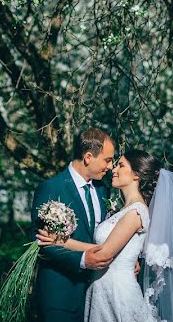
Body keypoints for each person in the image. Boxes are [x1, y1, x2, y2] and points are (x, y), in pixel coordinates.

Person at [37, 149, 173, 322]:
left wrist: (61, 241)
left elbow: (104, 253)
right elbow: (110, 248)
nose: (114, 169)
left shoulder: (136, 212)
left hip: (118, 293)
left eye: (121, 165)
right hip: (101, 289)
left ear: (136, 175)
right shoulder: (123, 210)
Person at [31, 128, 115, 322]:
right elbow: (42, 245)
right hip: (61, 296)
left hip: (98, 293)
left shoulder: (104, 189)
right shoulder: (52, 188)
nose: (110, 167)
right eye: (107, 160)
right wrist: (83, 260)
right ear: (88, 157)